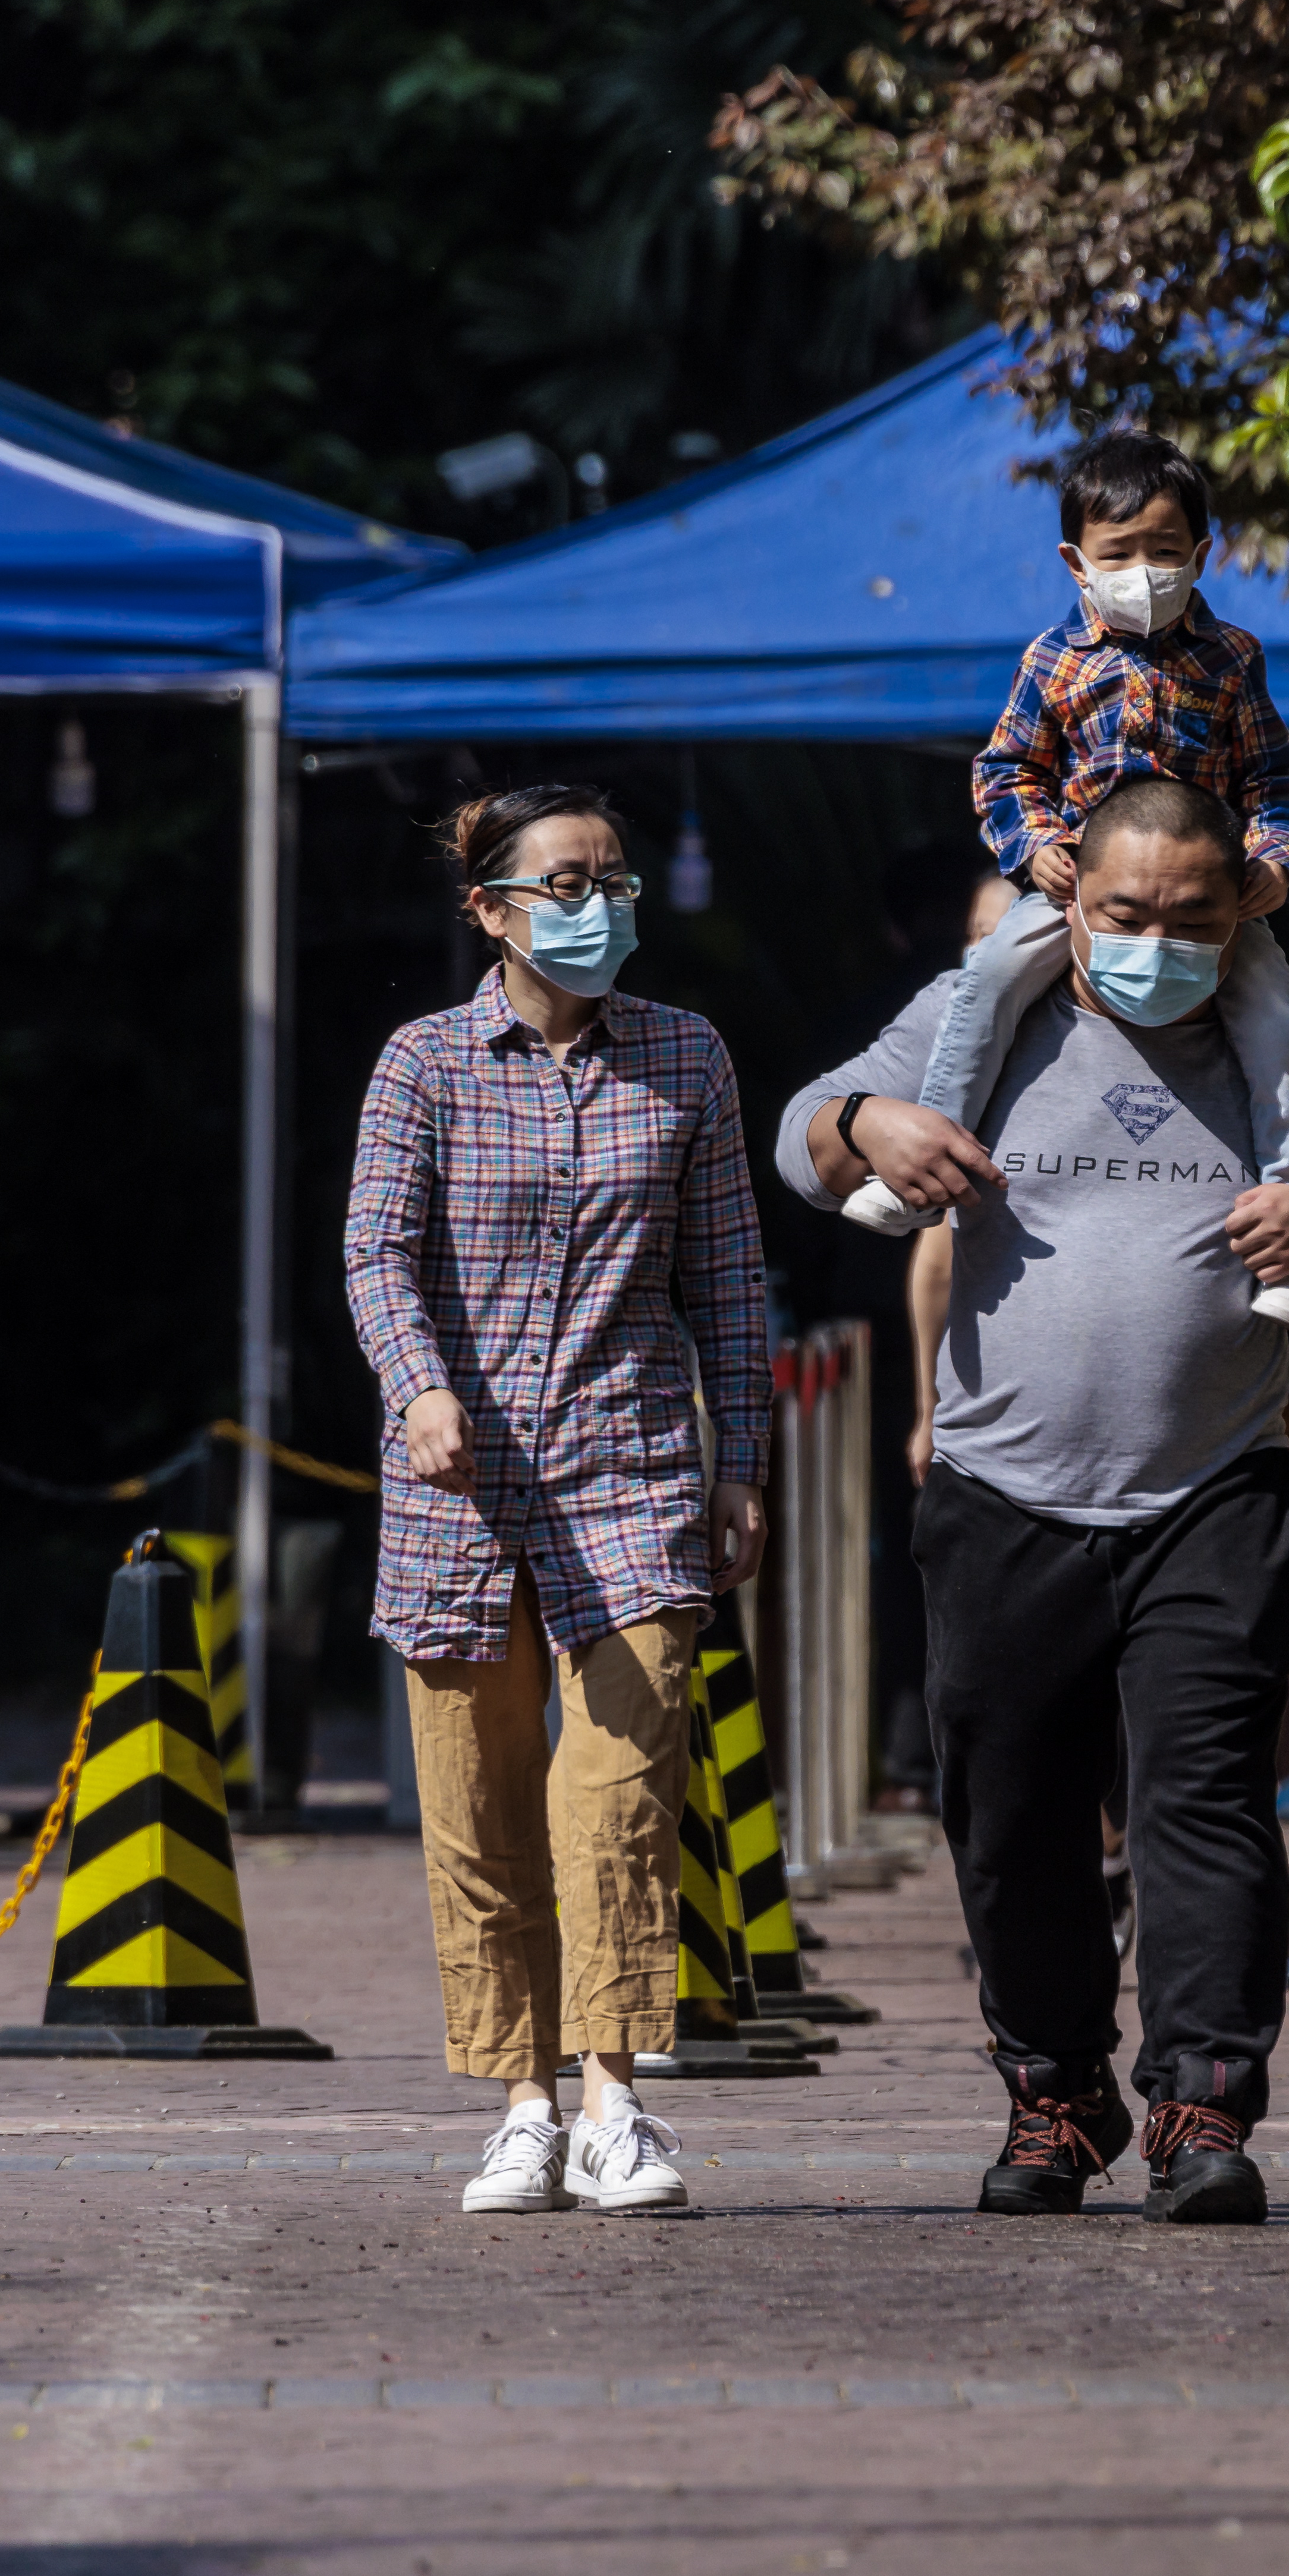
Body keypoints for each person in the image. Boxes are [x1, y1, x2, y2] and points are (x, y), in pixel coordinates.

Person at [779, 776, 1289, 2227]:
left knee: (1204, 1799)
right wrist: (873, 1125)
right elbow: (803, 1135)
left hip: (1217, 1488)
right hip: (1005, 1491)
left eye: (1194, 916)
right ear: (1072, 900)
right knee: (1009, 1809)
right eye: (1125, 913)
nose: (1158, 941)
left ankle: (1201, 2099)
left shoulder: (1286, 1050)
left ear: (1240, 908)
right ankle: (1057, 2086)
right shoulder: (984, 1021)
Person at [345, 786, 774, 2221]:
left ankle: (613, 2098)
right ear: (492, 909)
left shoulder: (688, 1056)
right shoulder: (423, 1063)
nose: (599, 904)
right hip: (457, 1489)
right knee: (478, 1804)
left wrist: (741, 1463)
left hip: (633, 1463)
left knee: (619, 1795)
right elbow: (376, 1258)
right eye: (566, 882)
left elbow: (726, 1279)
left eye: (615, 878)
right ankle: (519, 2101)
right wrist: (417, 1387)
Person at [850, 435, 1289, 1339]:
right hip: (1075, 897)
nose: (1142, 571)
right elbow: (1005, 773)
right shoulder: (1049, 662)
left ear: (1201, 552)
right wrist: (1031, 848)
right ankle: (920, 1175)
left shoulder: (1231, 659)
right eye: (1119, 554)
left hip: (1208, 909)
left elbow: (1277, 781)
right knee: (984, 985)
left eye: (1163, 550)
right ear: (1076, 561)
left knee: (1277, 1031)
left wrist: (1273, 862)